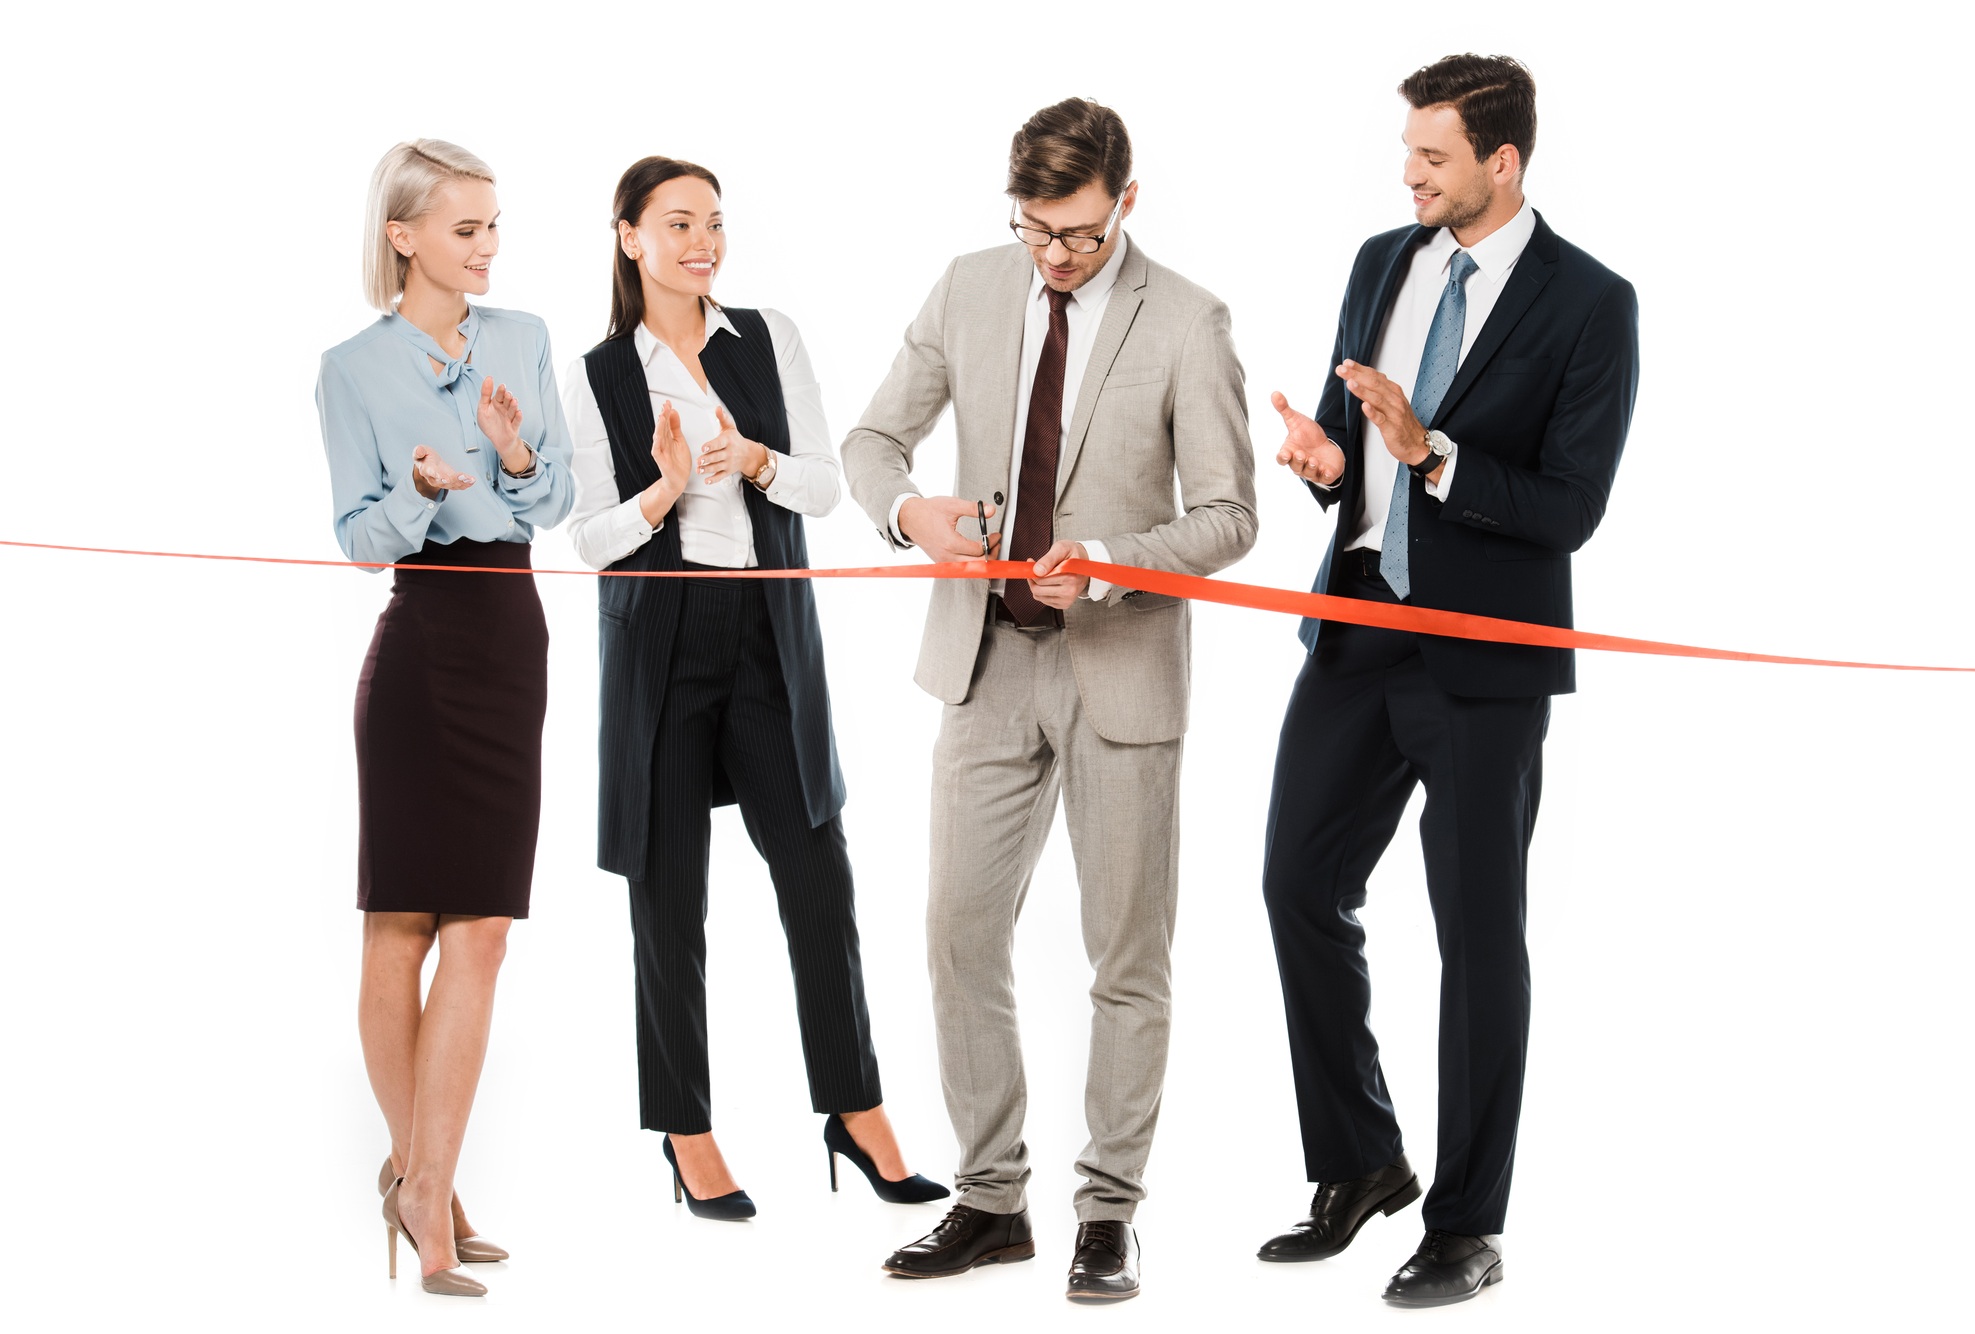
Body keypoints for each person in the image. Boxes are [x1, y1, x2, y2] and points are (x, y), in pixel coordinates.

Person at [843, 98, 1257, 1303]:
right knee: (956, 931)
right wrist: (910, 513)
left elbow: (1229, 515)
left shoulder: (1186, 318)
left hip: (1118, 667)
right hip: (983, 665)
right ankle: (989, 1199)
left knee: (1124, 953)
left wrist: (1119, 555)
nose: (1054, 256)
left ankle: (1107, 1212)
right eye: (1035, 230)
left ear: (1126, 201)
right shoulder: (971, 286)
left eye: (1076, 234)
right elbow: (874, 438)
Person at [1255, 55, 1640, 1307]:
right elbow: (1349, 433)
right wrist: (1326, 460)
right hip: (1358, 621)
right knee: (1297, 882)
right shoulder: (1383, 259)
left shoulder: (1590, 302)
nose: (1406, 173)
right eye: (1405, 152)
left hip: (1483, 657)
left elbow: (1568, 510)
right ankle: (1361, 1162)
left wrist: (1433, 455)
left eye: (1430, 155)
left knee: (1475, 934)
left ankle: (1467, 1221)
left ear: (1501, 163)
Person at [564, 156, 945, 1221]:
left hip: (768, 632)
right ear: (629, 236)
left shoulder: (766, 336)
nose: (703, 242)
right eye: (678, 223)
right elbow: (588, 537)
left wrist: (755, 457)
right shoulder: (595, 373)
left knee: (817, 869)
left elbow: (824, 486)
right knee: (667, 890)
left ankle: (855, 1108)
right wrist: (666, 491)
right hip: (660, 639)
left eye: (715, 224)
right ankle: (687, 1131)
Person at [316, 139, 575, 1297]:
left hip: (510, 636)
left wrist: (512, 451)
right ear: (404, 235)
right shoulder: (350, 368)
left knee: (485, 928)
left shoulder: (521, 339)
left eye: (492, 225)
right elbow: (355, 533)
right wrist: (418, 499)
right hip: (419, 643)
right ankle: (426, 1189)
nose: (487, 246)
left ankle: (423, 1176)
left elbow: (553, 496)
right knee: (401, 925)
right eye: (464, 228)